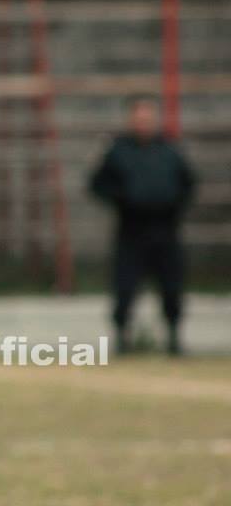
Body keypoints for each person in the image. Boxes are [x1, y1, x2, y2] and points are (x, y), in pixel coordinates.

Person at [89, 95, 195, 355]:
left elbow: (189, 183)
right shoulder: (118, 151)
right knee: (125, 288)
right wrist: (123, 200)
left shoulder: (170, 149)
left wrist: (172, 204)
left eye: (148, 117)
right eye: (139, 117)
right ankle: (121, 341)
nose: (143, 122)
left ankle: (174, 340)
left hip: (165, 230)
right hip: (131, 231)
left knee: (171, 289)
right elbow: (97, 185)